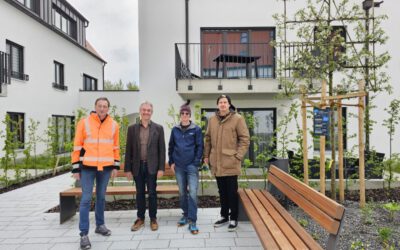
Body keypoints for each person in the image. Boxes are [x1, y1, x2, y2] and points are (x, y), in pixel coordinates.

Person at [71, 97, 120, 250]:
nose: (102, 108)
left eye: (105, 106)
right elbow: (77, 146)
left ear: (108, 108)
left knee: (101, 197)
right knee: (86, 199)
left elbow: (116, 147)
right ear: (95, 107)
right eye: (100, 106)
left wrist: (115, 167)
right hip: (87, 167)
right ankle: (84, 234)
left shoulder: (114, 125)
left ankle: (100, 225)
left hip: (105, 167)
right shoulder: (84, 122)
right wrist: (75, 168)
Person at [203, 94, 250, 232]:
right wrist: (206, 155)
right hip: (216, 163)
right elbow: (208, 139)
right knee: (222, 192)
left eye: (225, 102)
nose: (223, 104)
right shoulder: (212, 120)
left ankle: (233, 218)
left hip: (231, 162)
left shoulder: (237, 119)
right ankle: (224, 216)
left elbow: (245, 139)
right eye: (220, 102)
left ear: (229, 104)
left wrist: (238, 156)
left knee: (231, 192)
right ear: (217, 105)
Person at [124, 101, 165, 232]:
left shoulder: (158, 128)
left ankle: (153, 218)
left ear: (151, 112)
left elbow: (162, 150)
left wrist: (161, 168)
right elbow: (128, 150)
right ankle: (140, 218)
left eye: (148, 110)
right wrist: (127, 169)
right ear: (140, 111)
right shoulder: (132, 129)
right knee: (139, 193)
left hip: (152, 167)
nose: (146, 112)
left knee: (152, 193)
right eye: (144, 110)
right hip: (137, 166)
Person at [168, 102, 203, 234]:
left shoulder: (196, 129)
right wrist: (171, 162)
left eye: (187, 113)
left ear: (190, 115)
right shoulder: (175, 129)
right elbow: (171, 146)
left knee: (192, 192)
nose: (184, 115)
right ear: (180, 115)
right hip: (179, 166)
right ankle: (186, 214)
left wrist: (195, 162)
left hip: (191, 166)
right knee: (182, 192)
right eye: (182, 113)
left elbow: (200, 147)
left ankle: (192, 221)